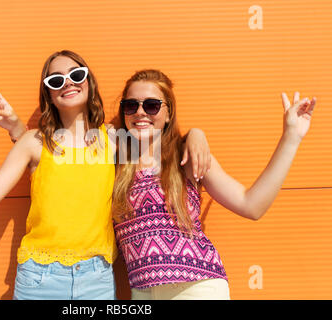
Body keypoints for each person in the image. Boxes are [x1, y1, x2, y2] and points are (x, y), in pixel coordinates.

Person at [0, 50, 211, 300]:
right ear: (48, 94)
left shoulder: (116, 141)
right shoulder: (34, 143)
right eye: (56, 80)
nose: (68, 83)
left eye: (76, 75)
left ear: (89, 82)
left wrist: (195, 136)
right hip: (38, 280)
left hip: (97, 280)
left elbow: (162, 141)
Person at [111, 69, 316, 300]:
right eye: (131, 105)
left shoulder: (186, 156)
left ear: (169, 113)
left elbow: (251, 205)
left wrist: (291, 137)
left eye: (151, 105)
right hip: (142, 291)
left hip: (196, 286)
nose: (140, 113)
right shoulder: (115, 165)